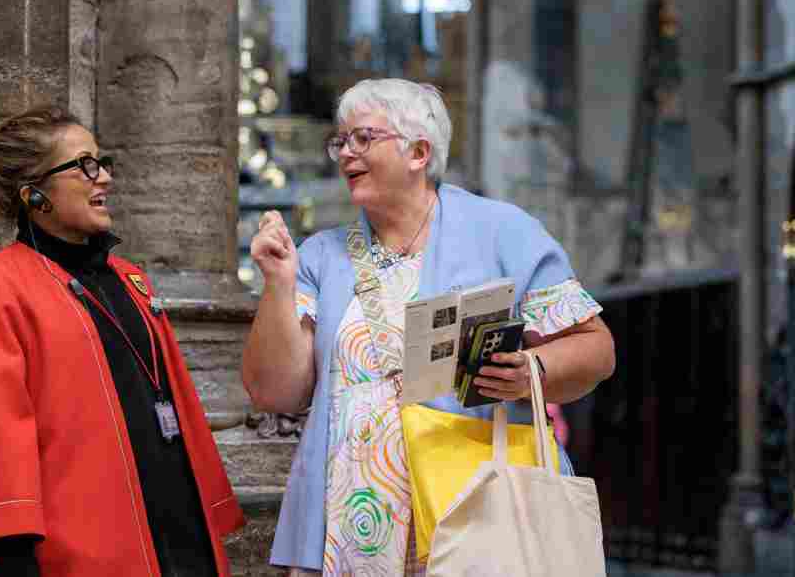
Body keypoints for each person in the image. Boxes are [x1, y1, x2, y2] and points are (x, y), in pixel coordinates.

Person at [241, 79, 615, 575]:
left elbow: (596, 349)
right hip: (352, 531)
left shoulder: (502, 232)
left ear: (418, 152)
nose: (346, 153)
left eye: (363, 139)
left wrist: (531, 370)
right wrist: (278, 285)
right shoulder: (318, 256)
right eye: (341, 141)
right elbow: (276, 393)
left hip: (474, 517)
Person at [0, 106, 245, 577]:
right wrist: (13, 563)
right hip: (80, 551)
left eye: (102, 163)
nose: (103, 178)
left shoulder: (131, 280)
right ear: (34, 194)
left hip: (181, 538)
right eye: (85, 165)